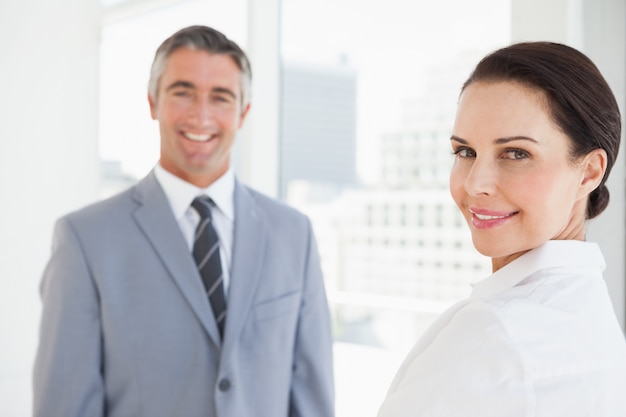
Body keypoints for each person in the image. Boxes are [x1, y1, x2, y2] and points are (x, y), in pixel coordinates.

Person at [33, 25, 334, 417]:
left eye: (221, 97)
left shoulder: (294, 234)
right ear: (152, 102)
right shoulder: (85, 240)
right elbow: (65, 406)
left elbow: (312, 398)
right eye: (183, 92)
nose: (201, 114)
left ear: (243, 113)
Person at [377, 42, 626, 416]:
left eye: (516, 154)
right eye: (465, 152)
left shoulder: (496, 335)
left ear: (589, 171)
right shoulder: (590, 320)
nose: (476, 183)